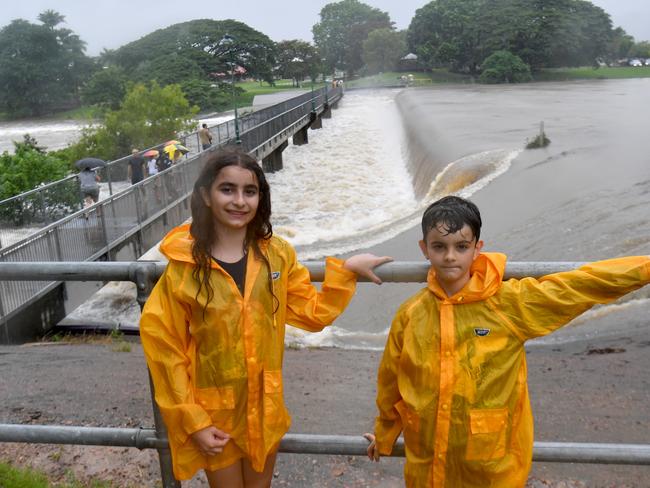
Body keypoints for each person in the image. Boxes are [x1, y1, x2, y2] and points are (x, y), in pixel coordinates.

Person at [140, 147, 392, 487]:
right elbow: (164, 345)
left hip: (266, 406)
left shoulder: (277, 255)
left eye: (250, 191)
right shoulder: (186, 266)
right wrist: (193, 420)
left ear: (261, 198)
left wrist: (347, 271)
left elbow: (311, 313)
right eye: (227, 189)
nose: (239, 201)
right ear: (206, 195)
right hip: (215, 411)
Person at [364, 195, 650, 488]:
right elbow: (391, 379)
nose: (450, 256)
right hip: (427, 464)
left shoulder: (507, 303)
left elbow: (578, 286)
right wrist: (386, 433)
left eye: (461, 247)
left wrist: (645, 268)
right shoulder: (411, 313)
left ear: (477, 249)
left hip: (490, 466)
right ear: (424, 248)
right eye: (439, 246)